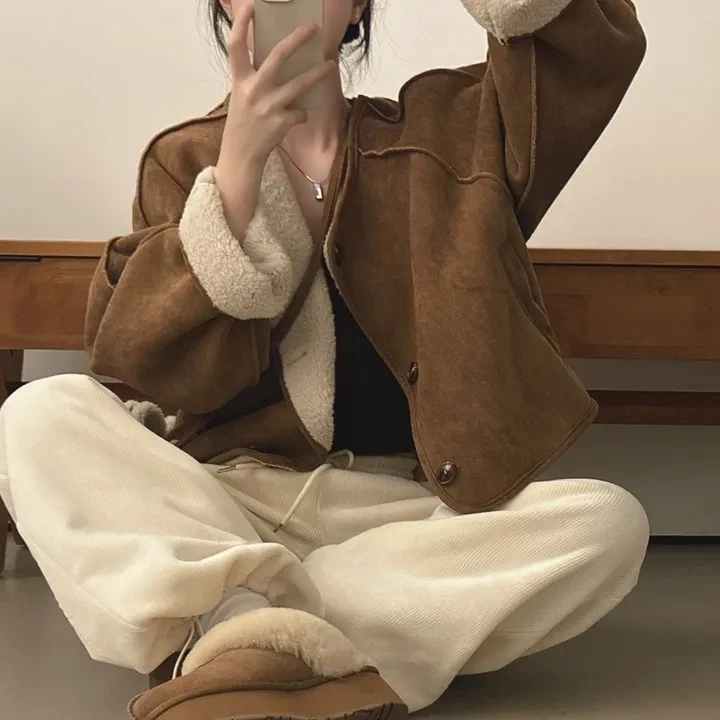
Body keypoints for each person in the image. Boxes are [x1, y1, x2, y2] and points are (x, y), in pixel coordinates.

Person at [0, 1, 649, 718]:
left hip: (404, 518)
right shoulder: (183, 161)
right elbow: (159, 371)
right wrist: (236, 179)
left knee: (606, 523)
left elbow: (583, 54)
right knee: (37, 413)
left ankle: (245, 632)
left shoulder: (454, 136)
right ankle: (321, 645)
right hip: (230, 500)